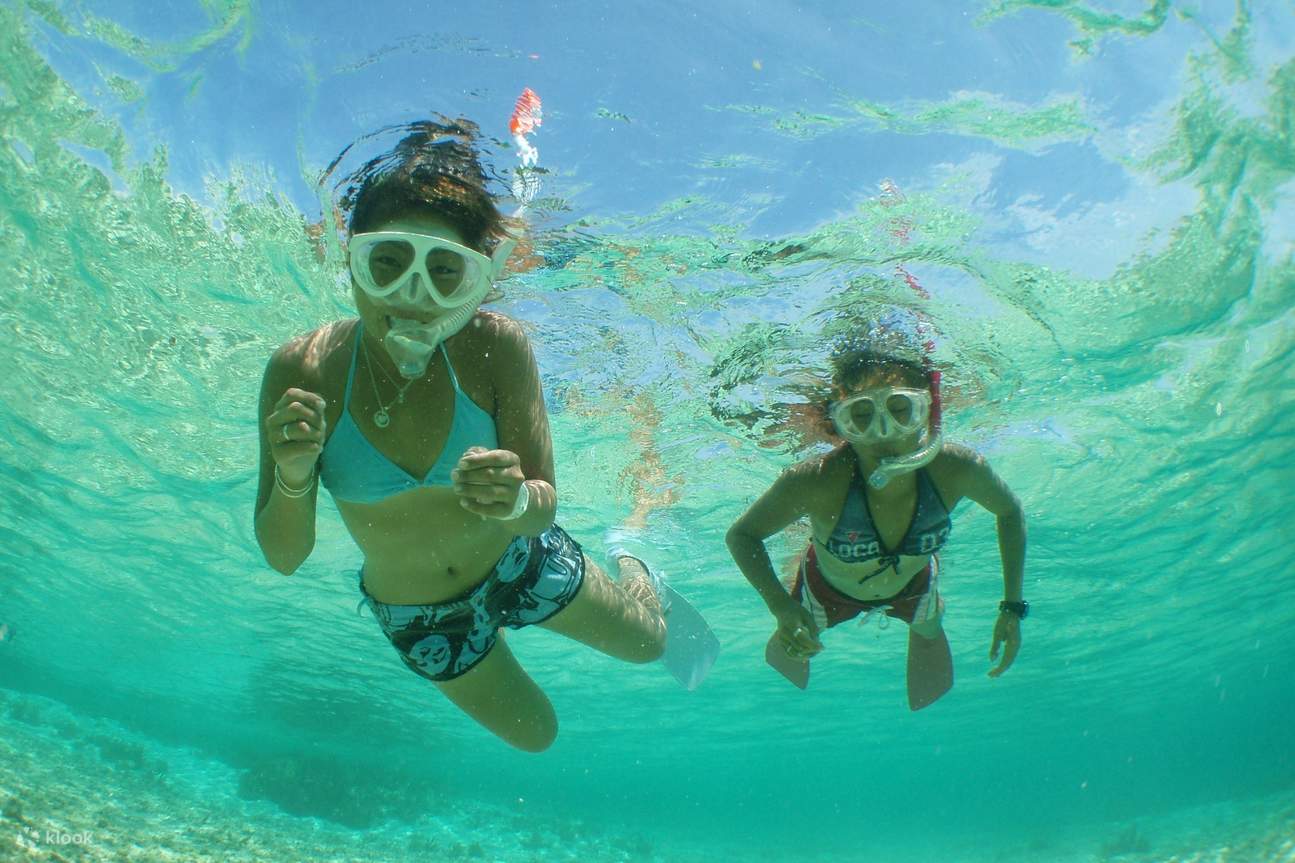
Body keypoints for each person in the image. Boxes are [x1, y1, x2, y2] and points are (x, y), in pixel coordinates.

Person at [253, 121, 666, 751]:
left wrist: (518, 501)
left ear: (476, 281)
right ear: (353, 260)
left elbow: (540, 509)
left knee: (650, 645)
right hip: (422, 614)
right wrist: (292, 471)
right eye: (386, 265)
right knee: (537, 736)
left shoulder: (495, 347)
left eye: (445, 273)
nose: (412, 299)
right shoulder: (303, 368)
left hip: (519, 557)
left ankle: (632, 558)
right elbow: (285, 557)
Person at [726, 333, 1027, 710]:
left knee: (928, 629)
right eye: (862, 416)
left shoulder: (957, 469)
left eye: (901, 409)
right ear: (840, 422)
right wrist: (782, 608)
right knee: (794, 652)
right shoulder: (816, 482)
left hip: (916, 585)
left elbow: (1010, 512)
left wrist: (1012, 608)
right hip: (824, 590)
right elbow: (742, 535)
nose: (884, 434)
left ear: (929, 411)